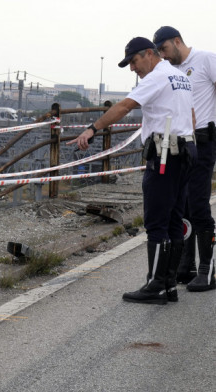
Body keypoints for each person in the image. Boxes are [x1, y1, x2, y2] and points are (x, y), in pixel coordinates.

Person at [67, 37, 196, 304]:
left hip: (165, 154)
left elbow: (125, 106)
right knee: (174, 220)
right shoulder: (179, 76)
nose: (133, 69)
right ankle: (169, 285)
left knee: (156, 221)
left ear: (149, 54)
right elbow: (192, 114)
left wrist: (92, 129)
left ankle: (155, 285)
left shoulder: (156, 77)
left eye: (134, 62)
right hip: (185, 151)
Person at [153, 26, 216, 292]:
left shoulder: (205, 59)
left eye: (165, 50)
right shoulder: (170, 70)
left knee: (198, 203)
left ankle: (208, 270)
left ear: (177, 41)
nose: (164, 56)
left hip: (204, 139)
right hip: (182, 142)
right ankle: (186, 265)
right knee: (183, 204)